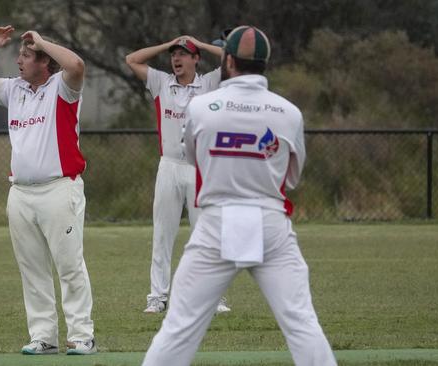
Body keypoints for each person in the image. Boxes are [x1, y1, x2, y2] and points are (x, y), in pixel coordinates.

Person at [142, 26, 337, 366]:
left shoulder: (202, 107)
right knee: (302, 322)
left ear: (228, 61)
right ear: (265, 63)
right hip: (271, 224)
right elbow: (291, 178)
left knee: (178, 328)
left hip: (216, 223)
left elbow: (192, 156)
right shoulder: (289, 113)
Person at [0, 25, 96, 356]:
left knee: (69, 266)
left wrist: (42, 42)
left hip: (58, 189)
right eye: (20, 54)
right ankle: (44, 336)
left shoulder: (62, 87)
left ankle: (82, 336)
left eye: (26, 55)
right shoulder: (15, 89)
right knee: (32, 269)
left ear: (44, 61)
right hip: (21, 193)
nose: (19, 60)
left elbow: (77, 66)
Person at [125, 35, 231, 314]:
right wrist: (168, 42)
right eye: (174, 54)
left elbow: (232, 58)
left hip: (199, 168)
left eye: (184, 54)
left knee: (205, 235)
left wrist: (201, 43)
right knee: (162, 235)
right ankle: (157, 297)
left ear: (196, 59)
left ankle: (212, 297)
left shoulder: (209, 84)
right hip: (169, 166)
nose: (177, 58)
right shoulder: (161, 82)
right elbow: (131, 60)